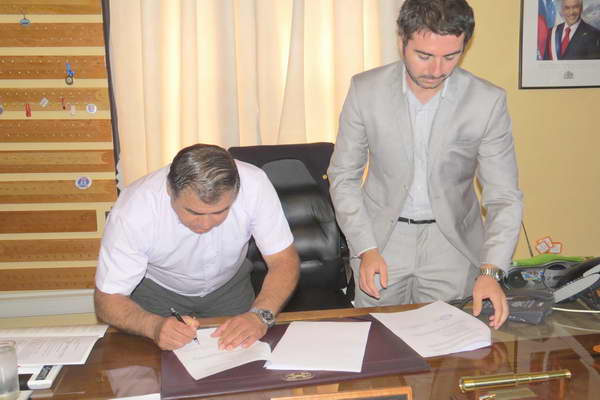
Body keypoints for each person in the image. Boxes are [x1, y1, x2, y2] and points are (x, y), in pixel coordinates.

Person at [327, 0, 523, 329]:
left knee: (447, 347)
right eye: (424, 56)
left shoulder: (487, 101)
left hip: (451, 245)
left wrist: (491, 271)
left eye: (451, 57)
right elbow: (343, 176)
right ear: (401, 40)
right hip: (382, 240)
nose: (436, 70)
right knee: (378, 339)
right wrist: (365, 248)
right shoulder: (365, 90)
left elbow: (504, 196)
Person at [94, 144, 300, 350]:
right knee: (154, 365)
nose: (206, 224)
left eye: (220, 212)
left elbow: (283, 261)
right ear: (169, 190)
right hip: (157, 294)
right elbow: (107, 299)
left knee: (242, 358)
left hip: (230, 288)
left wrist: (259, 316)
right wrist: (153, 326)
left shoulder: (254, 184)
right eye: (194, 212)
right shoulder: (134, 210)